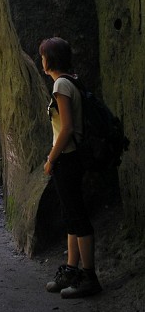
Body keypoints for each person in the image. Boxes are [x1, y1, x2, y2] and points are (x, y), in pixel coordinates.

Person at [39, 37, 102, 298]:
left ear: (50, 59)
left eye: (43, 56)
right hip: (70, 158)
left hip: (67, 158)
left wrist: (51, 159)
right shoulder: (70, 80)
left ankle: (89, 277)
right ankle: (71, 270)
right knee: (71, 216)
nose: (41, 60)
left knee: (77, 216)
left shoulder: (61, 84)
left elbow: (66, 128)